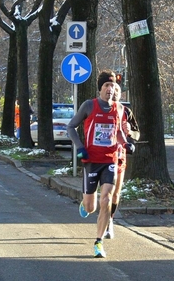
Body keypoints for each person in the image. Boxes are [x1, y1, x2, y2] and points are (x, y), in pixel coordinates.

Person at [67, 69, 135, 258]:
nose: (110, 89)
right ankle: (85, 203)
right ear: (100, 88)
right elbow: (71, 126)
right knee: (91, 207)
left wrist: (126, 144)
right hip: (91, 160)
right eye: (106, 85)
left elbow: (119, 133)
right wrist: (80, 147)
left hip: (110, 159)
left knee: (106, 198)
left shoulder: (120, 109)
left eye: (113, 86)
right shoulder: (89, 106)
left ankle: (98, 242)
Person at [104, 83, 140, 239]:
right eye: (112, 90)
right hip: (102, 156)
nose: (115, 93)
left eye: (118, 90)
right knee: (106, 192)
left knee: (116, 193)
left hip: (119, 156)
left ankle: (109, 221)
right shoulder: (101, 109)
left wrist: (130, 132)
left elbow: (137, 133)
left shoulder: (126, 112)